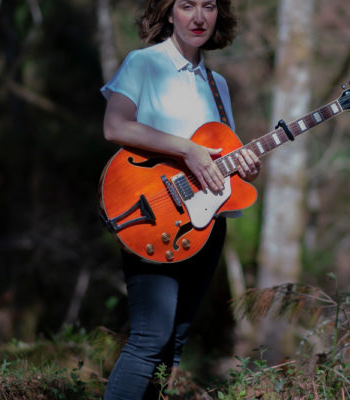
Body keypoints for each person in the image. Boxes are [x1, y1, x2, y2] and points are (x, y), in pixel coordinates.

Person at [99, 1, 259, 398]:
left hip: (204, 225)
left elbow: (219, 159)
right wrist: (185, 149)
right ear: (169, 13)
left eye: (209, 6)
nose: (199, 17)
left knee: (174, 344)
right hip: (151, 214)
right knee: (149, 337)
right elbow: (115, 126)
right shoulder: (143, 63)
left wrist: (245, 167)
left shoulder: (217, 86)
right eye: (187, 5)